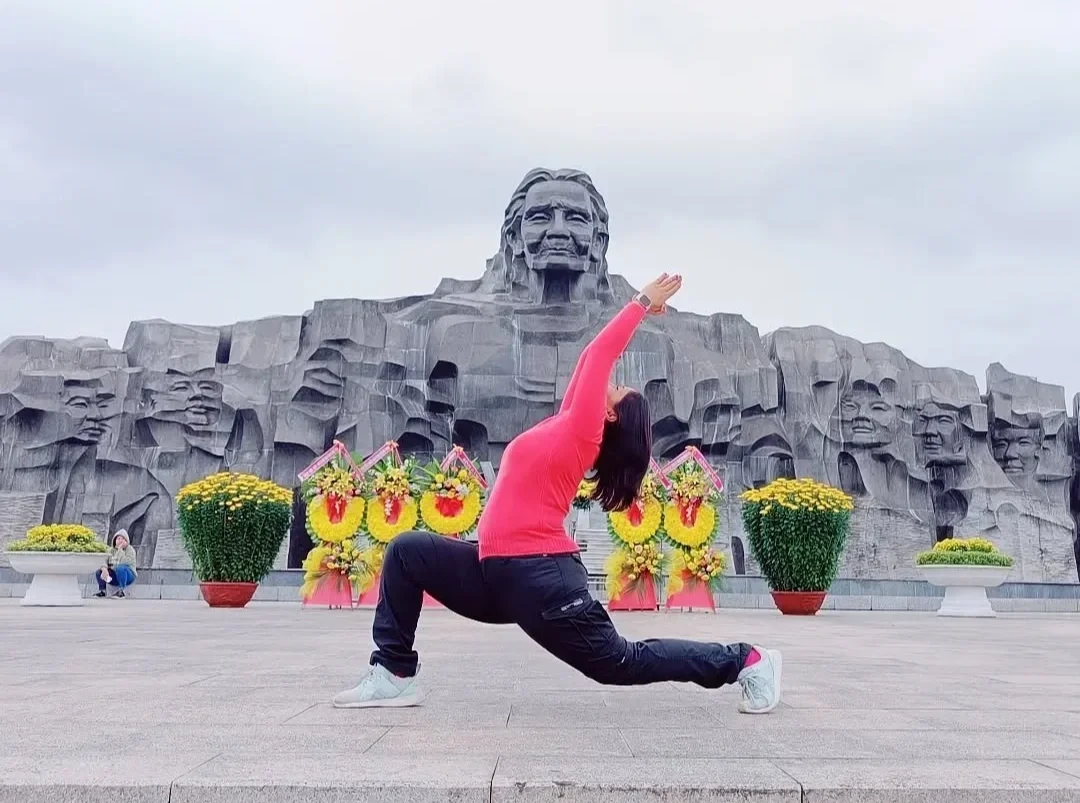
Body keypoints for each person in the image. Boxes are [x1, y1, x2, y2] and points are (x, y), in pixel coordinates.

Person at [334, 273, 782, 714]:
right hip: (494, 573)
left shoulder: (583, 434)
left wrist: (642, 301)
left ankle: (746, 660)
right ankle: (393, 674)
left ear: (609, 415)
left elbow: (602, 352)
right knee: (407, 553)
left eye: (617, 388)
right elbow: (590, 356)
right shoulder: (567, 425)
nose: (608, 381)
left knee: (621, 661)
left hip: (539, 578)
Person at [95, 530, 137, 598]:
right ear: (115, 540)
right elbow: (104, 560)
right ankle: (102, 591)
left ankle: (121, 591)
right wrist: (104, 568)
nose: (120, 541)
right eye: (118, 539)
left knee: (120, 568)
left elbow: (125, 562)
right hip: (114, 576)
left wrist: (120, 549)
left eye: (123, 539)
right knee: (99, 572)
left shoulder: (130, 550)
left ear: (126, 541)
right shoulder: (110, 550)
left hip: (128, 575)